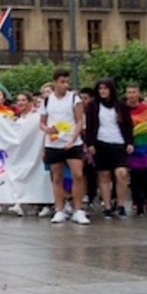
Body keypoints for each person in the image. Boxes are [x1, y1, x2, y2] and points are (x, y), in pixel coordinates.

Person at [39, 69, 89, 224]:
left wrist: (73, 139)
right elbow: (42, 122)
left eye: (67, 82)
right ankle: (59, 209)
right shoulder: (47, 101)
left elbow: (80, 120)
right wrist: (48, 129)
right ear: (55, 82)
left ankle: (78, 210)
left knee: (78, 175)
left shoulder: (74, 99)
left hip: (72, 142)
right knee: (57, 176)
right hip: (53, 143)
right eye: (61, 82)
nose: (65, 85)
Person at [84, 79, 134, 219]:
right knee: (104, 176)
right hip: (101, 143)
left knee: (122, 173)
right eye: (100, 88)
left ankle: (121, 204)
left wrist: (129, 142)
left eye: (106, 88)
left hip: (118, 142)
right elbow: (89, 126)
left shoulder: (120, 106)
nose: (103, 91)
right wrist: (90, 144)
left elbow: (128, 125)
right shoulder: (93, 106)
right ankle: (107, 206)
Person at [124, 84, 147, 216]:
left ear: (139, 94)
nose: (131, 95)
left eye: (134, 92)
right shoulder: (123, 109)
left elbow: (145, 125)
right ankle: (138, 204)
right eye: (129, 92)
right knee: (135, 176)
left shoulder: (146, 109)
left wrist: (131, 126)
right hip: (132, 145)